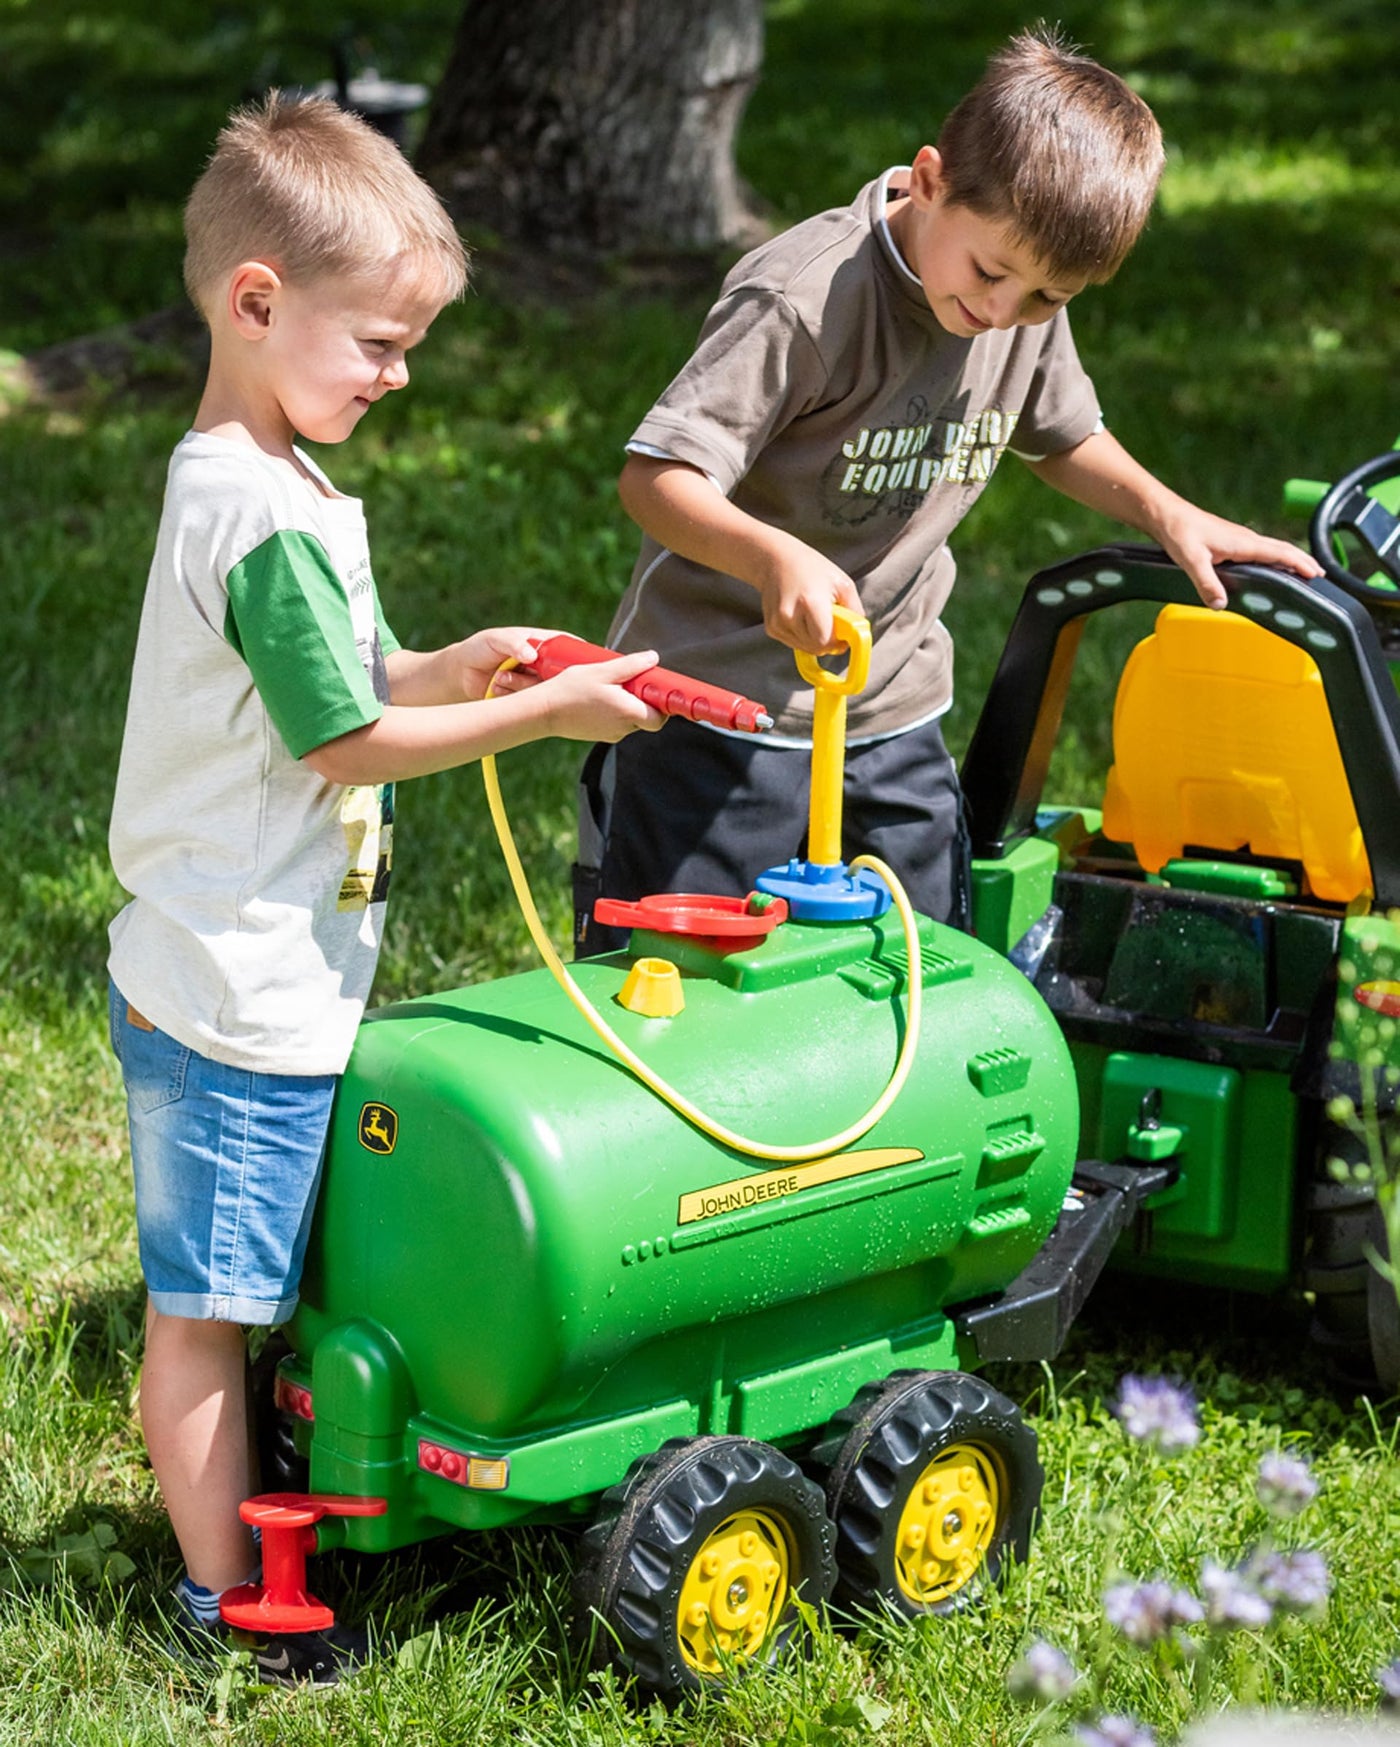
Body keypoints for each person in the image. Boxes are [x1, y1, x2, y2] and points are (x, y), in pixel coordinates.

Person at [106, 93, 660, 1686]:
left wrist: (459, 659)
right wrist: (542, 715)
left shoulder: (269, 478)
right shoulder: (256, 510)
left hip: (263, 969)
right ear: (257, 300)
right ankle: (231, 1600)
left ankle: (257, 1513)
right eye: (382, 341)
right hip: (232, 989)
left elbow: (350, 683)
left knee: (253, 1278)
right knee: (209, 1307)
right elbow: (347, 743)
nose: (400, 373)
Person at [574, 26, 1321, 952]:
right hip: (720, 711)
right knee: (688, 983)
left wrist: (1169, 512)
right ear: (929, 180)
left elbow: (1059, 435)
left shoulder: (1017, 298)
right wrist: (774, 556)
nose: (1003, 314)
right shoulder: (804, 300)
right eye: (992, 273)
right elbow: (658, 478)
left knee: (915, 967)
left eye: (1049, 298)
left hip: (891, 704)